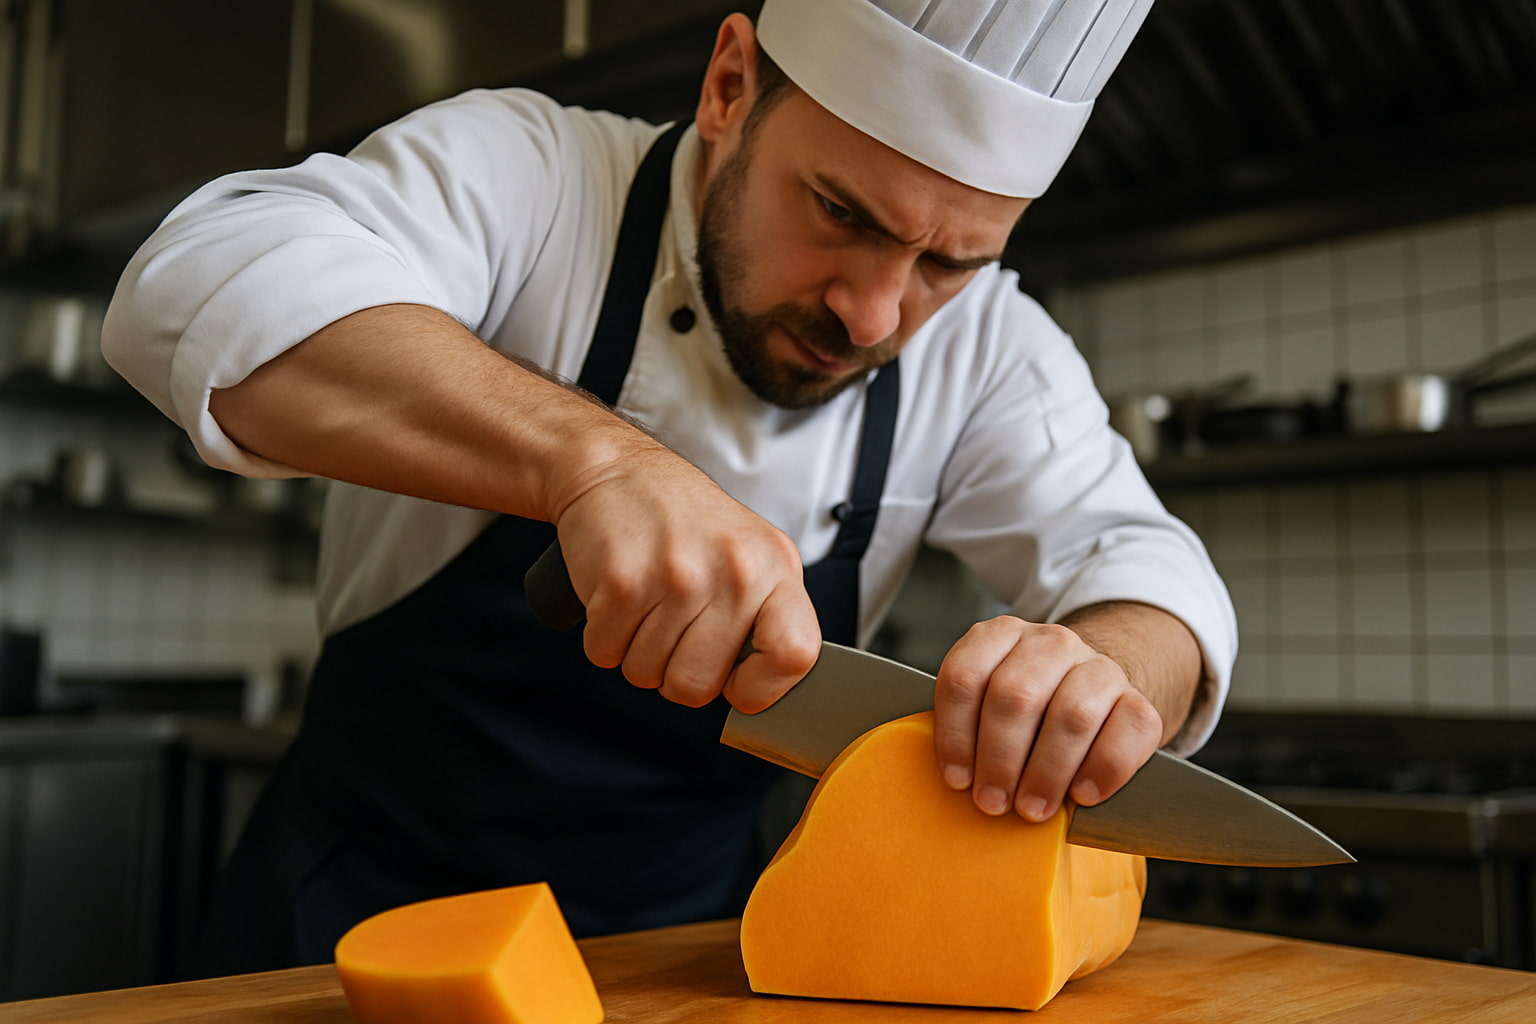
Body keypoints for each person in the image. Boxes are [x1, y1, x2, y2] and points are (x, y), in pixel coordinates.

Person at [102, 0, 1236, 975]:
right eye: (843, 213)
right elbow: (202, 279)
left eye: (949, 262)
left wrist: (1100, 668)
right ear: (730, 84)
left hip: (687, 957)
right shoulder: (533, 176)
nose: (876, 314)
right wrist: (591, 459)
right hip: (357, 933)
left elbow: (1143, 569)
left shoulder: (991, 352)